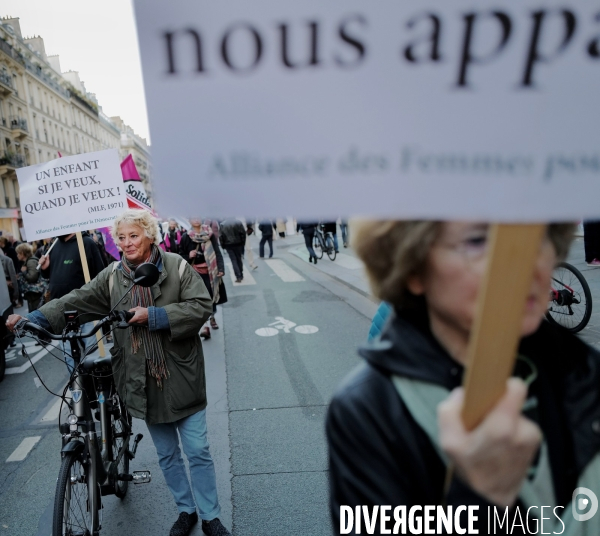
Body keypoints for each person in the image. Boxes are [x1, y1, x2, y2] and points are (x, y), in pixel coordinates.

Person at [326, 221, 594, 535]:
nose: (525, 260)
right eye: (479, 241)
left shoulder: (585, 370)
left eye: (536, 234)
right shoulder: (368, 412)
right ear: (412, 266)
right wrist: (481, 497)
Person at [7, 209, 232, 536]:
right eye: (121, 237)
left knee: (197, 451)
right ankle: (186, 510)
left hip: (181, 377)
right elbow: (78, 299)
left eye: (133, 236)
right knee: (168, 456)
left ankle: (210, 516)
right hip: (143, 382)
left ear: (149, 235)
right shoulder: (113, 276)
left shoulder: (176, 266)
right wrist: (38, 319)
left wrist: (154, 316)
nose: (126, 243)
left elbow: (200, 307)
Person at [38, 231, 106, 370]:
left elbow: (101, 275)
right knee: (69, 357)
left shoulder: (86, 243)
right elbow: (53, 274)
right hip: (62, 312)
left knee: (94, 356)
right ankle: (78, 388)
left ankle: (97, 387)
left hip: (87, 310)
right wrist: (44, 269)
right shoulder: (54, 245)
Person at [180, 217, 225, 340]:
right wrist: (188, 255)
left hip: (211, 272)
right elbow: (180, 256)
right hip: (195, 273)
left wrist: (221, 269)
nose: (195, 219)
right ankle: (205, 326)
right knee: (200, 298)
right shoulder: (186, 237)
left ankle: (212, 317)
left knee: (211, 297)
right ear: (189, 220)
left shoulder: (209, 235)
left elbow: (217, 251)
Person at [16, 243, 44, 312]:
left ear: (22, 253)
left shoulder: (31, 262)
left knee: (35, 311)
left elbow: (32, 277)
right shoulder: (28, 261)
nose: (17, 255)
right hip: (32, 294)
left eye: (18, 253)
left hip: (35, 294)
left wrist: (24, 272)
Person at [219, 217, 246, 283]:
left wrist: (223, 245)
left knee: (233, 260)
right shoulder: (238, 222)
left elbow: (221, 237)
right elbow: (243, 233)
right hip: (238, 243)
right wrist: (243, 243)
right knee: (239, 259)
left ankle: (238, 276)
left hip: (228, 244)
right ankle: (241, 274)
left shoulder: (223, 224)